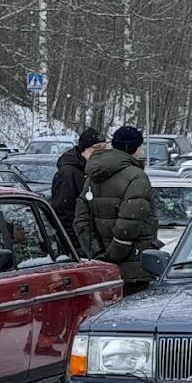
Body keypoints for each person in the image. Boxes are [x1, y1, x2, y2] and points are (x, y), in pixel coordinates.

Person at [74, 125, 159, 295]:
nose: (142, 151)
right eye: (141, 147)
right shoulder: (137, 177)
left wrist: (97, 253)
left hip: (101, 269)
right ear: (134, 148)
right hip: (133, 269)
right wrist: (112, 256)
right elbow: (129, 223)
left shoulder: (92, 176)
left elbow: (81, 220)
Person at [50, 128, 105, 247]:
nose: (101, 152)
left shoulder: (96, 170)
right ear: (84, 149)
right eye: (97, 148)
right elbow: (63, 212)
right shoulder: (68, 174)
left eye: (104, 148)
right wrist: (77, 243)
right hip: (78, 242)